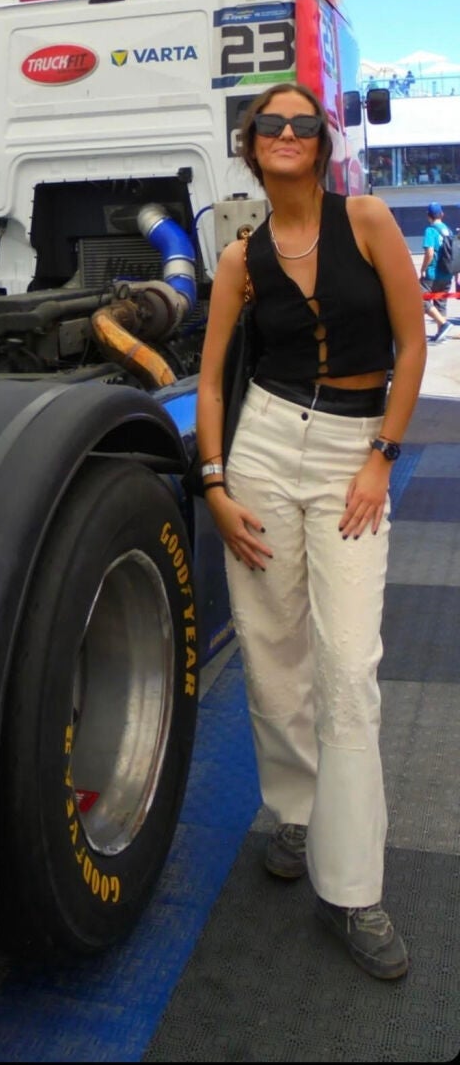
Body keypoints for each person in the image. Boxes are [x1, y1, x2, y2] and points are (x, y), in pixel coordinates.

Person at [196, 82, 425, 980]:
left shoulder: (365, 218)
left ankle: (354, 887)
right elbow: (211, 381)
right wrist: (212, 482)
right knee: (270, 645)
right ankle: (295, 810)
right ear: (250, 147)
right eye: (270, 125)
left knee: (347, 662)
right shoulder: (237, 259)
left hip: (348, 454)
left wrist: (383, 455)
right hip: (257, 448)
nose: (287, 134)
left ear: (321, 142)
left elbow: (412, 346)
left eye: (303, 123)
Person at [420, 201, 454, 343]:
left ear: (428, 216)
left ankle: (444, 324)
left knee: (419, 298)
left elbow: (429, 252)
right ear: (442, 214)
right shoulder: (449, 231)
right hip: (447, 272)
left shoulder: (430, 230)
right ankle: (442, 334)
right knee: (441, 302)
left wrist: (423, 269)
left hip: (433, 272)